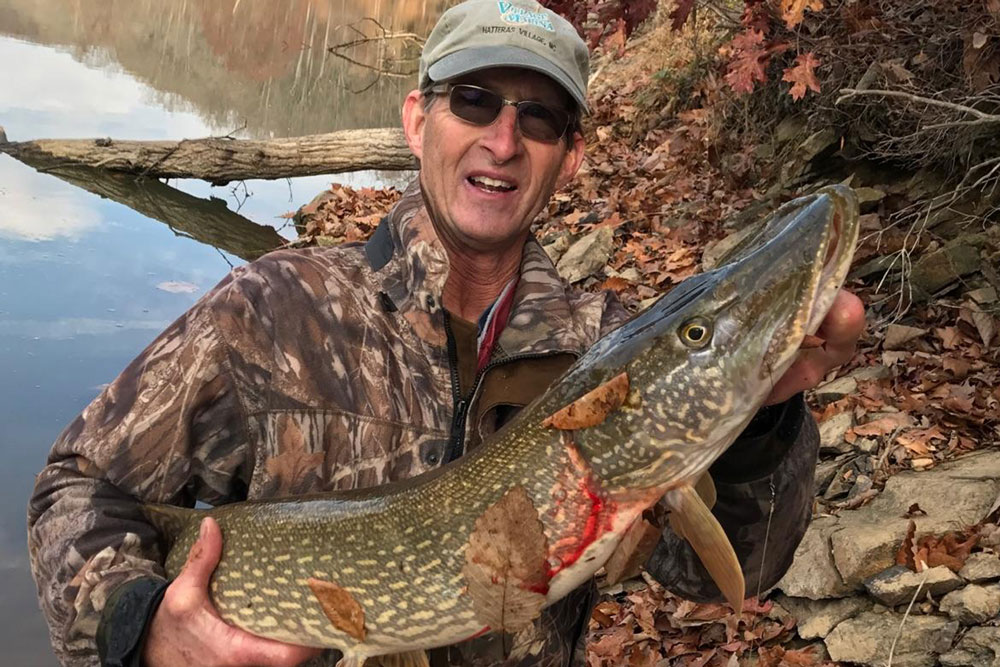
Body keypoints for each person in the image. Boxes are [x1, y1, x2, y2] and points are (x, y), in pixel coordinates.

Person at [28, 1, 865, 666]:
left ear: (570, 156)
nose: (503, 140)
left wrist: (762, 414)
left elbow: (739, 572)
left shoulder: (598, 348)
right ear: (417, 119)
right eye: (474, 100)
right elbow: (75, 486)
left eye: (538, 118)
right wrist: (139, 629)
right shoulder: (274, 307)